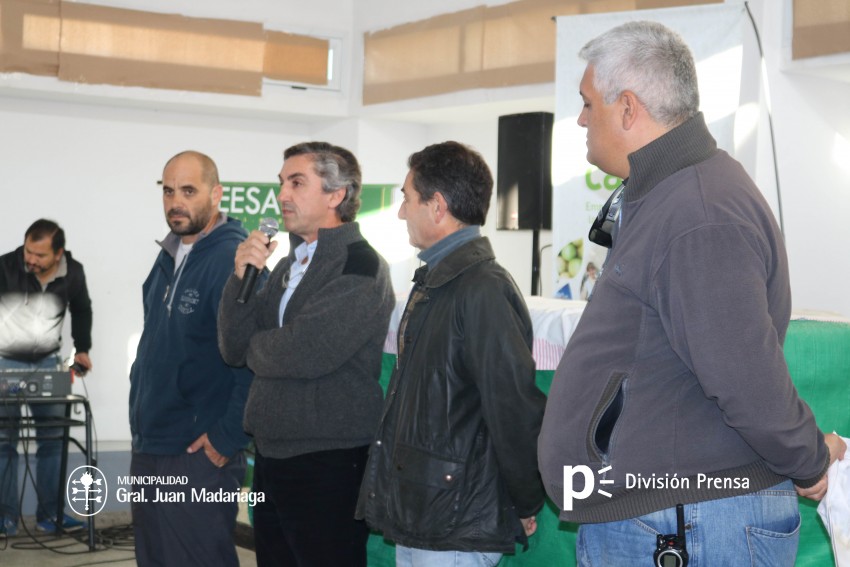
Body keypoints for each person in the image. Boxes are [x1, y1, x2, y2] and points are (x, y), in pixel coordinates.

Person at [537, 21, 847, 566]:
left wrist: (810, 459)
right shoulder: (671, 195)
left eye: (588, 104)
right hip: (675, 514)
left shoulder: (698, 213)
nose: (582, 119)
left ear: (628, 108)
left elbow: (744, 374)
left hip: (689, 518)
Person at [356, 141, 547, 566]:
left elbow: (512, 405)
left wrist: (524, 497)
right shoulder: (439, 281)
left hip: (455, 521)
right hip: (429, 511)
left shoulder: (483, 289)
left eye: (407, 199)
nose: (401, 212)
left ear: (437, 206)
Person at [217, 141, 395, 567]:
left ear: (337, 195)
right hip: (274, 451)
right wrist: (239, 278)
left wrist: (264, 346)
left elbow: (307, 351)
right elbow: (233, 347)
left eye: (297, 182)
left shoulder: (361, 264)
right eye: (281, 183)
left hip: (327, 457)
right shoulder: (288, 264)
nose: (282, 194)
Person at [128, 151, 254, 566]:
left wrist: (228, 436)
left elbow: (256, 357)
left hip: (198, 453)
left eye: (188, 190)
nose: (175, 202)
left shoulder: (233, 261)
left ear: (216, 195)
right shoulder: (168, 255)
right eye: (167, 191)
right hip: (153, 441)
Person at [0, 219, 91, 537]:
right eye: (28, 251)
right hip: (6, 367)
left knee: (53, 442)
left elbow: (82, 309)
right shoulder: (5, 267)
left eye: (39, 254)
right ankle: (5, 519)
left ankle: (50, 516)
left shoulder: (74, 272)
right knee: (3, 442)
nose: (31, 259)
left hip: (49, 365)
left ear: (58, 253)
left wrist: (82, 348)